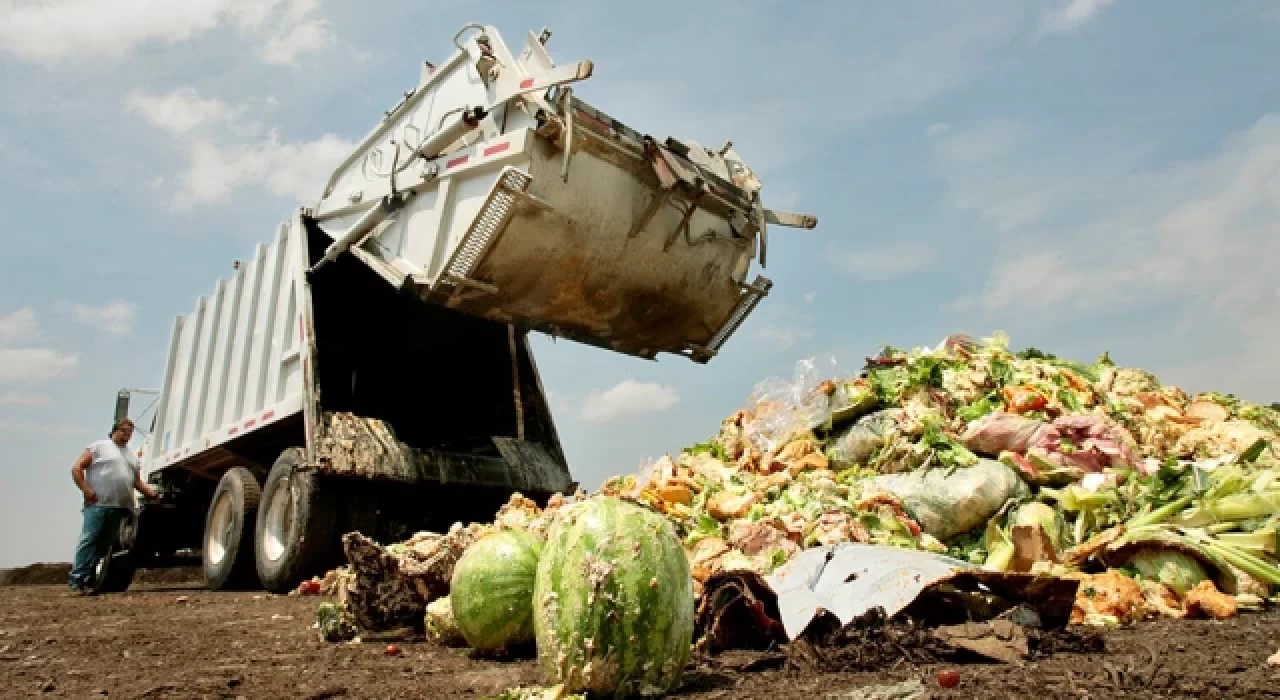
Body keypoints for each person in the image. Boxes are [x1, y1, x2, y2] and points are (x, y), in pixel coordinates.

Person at [67, 418, 158, 593]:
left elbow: (136, 482)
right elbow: (77, 468)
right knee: (89, 539)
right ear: (114, 431)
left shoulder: (131, 455)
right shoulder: (98, 448)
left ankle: (90, 577)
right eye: (124, 431)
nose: (127, 435)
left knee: (105, 545)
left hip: (120, 507)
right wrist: (86, 490)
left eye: (130, 432)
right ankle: (78, 578)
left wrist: (151, 494)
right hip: (98, 503)